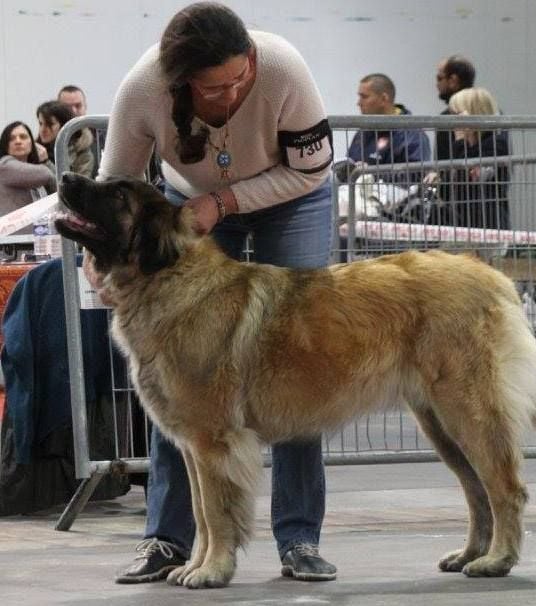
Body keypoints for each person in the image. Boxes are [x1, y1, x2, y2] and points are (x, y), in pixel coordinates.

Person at [85, 1, 336, 585]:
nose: (230, 94)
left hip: (289, 198)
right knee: (177, 382)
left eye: (239, 78)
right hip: (188, 208)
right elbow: (111, 187)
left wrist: (224, 202)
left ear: (252, 57)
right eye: (212, 88)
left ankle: (299, 537)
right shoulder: (141, 89)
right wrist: (100, 268)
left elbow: (312, 169)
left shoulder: (283, 68)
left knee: (303, 362)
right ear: (180, 82)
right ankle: (166, 540)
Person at [443, 87, 510, 229]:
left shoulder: (496, 142)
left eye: (457, 115)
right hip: (463, 221)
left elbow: (473, 175)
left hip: (489, 224)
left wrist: (460, 141)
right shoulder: (467, 144)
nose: (453, 122)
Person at [346, 73, 430, 169]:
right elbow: (350, 163)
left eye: (364, 97)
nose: (358, 103)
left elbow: (415, 176)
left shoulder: (412, 136)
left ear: (383, 99)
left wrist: (371, 174)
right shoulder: (363, 132)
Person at [0, 121, 56, 217]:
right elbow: (46, 174)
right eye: (11, 139)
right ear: (5, 145)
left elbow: (59, 189)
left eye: (23, 137)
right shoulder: (4, 165)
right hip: (15, 232)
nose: (18, 141)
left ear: (32, 143)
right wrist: (45, 162)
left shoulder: (33, 169)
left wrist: (45, 161)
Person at [433, 54, 476, 162]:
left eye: (439, 78)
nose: (436, 84)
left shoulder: (447, 119)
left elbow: (443, 166)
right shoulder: (490, 112)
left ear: (453, 80)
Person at [36, 100, 94, 177]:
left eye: (49, 124)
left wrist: (46, 163)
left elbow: (73, 187)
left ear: (63, 125)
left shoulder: (82, 154)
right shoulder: (35, 148)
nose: (43, 130)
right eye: (41, 124)